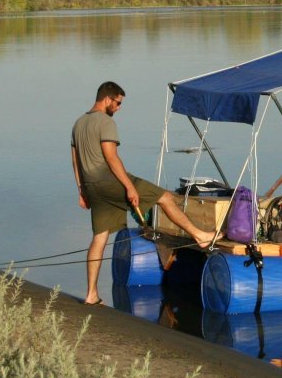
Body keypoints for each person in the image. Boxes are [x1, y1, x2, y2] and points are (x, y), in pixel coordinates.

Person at [71, 81, 217, 305]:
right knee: (164, 197)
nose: (119, 108)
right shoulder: (105, 122)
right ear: (107, 99)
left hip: (93, 186)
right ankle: (199, 235)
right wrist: (129, 187)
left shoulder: (79, 123)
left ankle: (91, 295)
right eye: (117, 103)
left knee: (99, 237)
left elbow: (75, 161)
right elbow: (111, 158)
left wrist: (82, 189)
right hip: (111, 181)